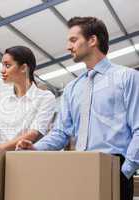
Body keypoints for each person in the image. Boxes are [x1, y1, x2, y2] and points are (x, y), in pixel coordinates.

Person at [16, 17, 139, 200]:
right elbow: (61, 132)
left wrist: (125, 171)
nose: (68, 46)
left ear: (92, 40)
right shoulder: (72, 88)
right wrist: (35, 148)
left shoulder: (127, 78)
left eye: (73, 40)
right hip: (80, 168)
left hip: (115, 167)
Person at [0, 46, 56, 151]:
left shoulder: (45, 98)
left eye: (7, 65)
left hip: (25, 160)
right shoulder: (0, 97)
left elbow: (33, 134)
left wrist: (0, 147)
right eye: (2, 65)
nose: (2, 70)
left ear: (24, 68)